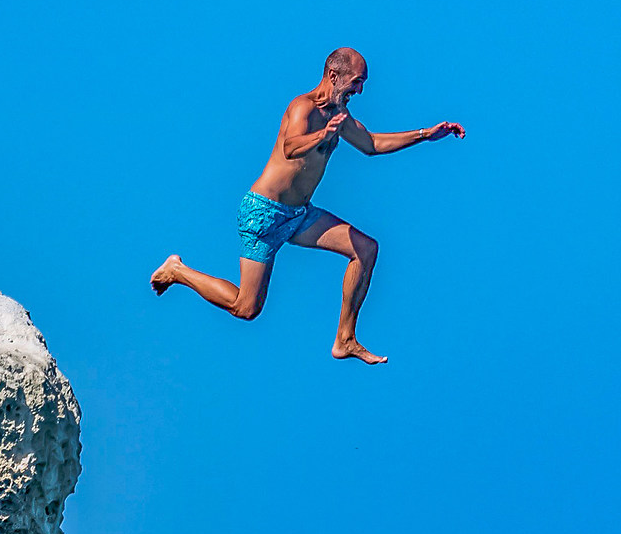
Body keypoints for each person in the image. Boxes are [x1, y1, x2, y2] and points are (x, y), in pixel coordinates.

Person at [149, 48, 463, 364]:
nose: (360, 90)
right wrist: (322, 134)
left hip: (300, 215)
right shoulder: (303, 107)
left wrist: (426, 134)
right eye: (356, 82)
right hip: (264, 214)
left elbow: (372, 144)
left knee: (366, 249)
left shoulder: (340, 117)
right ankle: (177, 270)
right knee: (246, 308)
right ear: (333, 76)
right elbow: (290, 147)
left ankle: (345, 339)